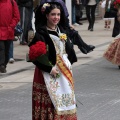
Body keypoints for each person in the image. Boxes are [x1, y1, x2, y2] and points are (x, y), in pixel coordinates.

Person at [29, 2, 78, 119]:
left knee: (65, 100)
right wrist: (49, 67)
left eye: (58, 14)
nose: (56, 17)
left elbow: (68, 51)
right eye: (53, 14)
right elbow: (35, 56)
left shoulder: (62, 31)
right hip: (47, 73)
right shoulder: (41, 34)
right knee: (51, 100)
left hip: (63, 72)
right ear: (46, 15)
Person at [0, 0, 20, 73]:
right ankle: (1, 65)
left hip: (9, 31)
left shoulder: (12, 2)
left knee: (7, 49)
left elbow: (16, 16)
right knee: (1, 48)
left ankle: (4, 65)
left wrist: (11, 26)